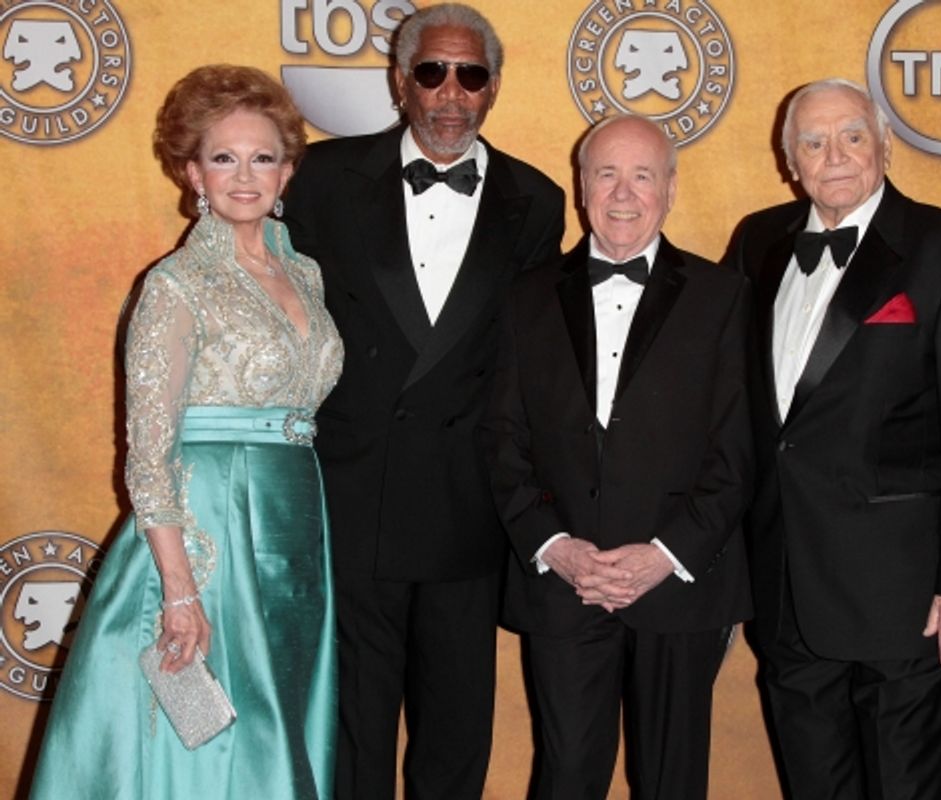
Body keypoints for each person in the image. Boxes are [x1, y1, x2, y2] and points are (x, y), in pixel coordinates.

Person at [29, 65, 342, 799]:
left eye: (263, 157)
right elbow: (148, 451)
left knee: (279, 718)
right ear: (191, 170)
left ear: (288, 169)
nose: (244, 175)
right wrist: (179, 587)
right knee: (210, 737)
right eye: (223, 157)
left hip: (295, 528)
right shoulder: (173, 285)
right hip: (208, 536)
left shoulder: (308, 276)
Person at [282, 4, 565, 797]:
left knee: (455, 732)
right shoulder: (323, 179)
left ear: (494, 88)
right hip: (350, 495)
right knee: (351, 731)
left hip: (467, 504)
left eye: (469, 75)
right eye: (431, 72)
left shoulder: (536, 201)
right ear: (400, 81)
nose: (450, 93)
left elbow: (529, 365)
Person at [724, 78, 941, 799]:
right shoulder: (759, 242)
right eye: (814, 142)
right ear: (789, 159)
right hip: (788, 588)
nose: (835, 156)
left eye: (853, 135)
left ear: (886, 146)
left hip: (905, 599)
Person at [480, 114, 754, 800]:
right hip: (566, 585)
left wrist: (664, 554)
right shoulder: (524, 297)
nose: (624, 194)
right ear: (580, 186)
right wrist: (556, 547)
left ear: (670, 188)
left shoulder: (725, 298)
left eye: (642, 176)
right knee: (567, 776)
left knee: (672, 782)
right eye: (607, 174)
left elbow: (738, 451)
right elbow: (501, 442)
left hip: (680, 585)